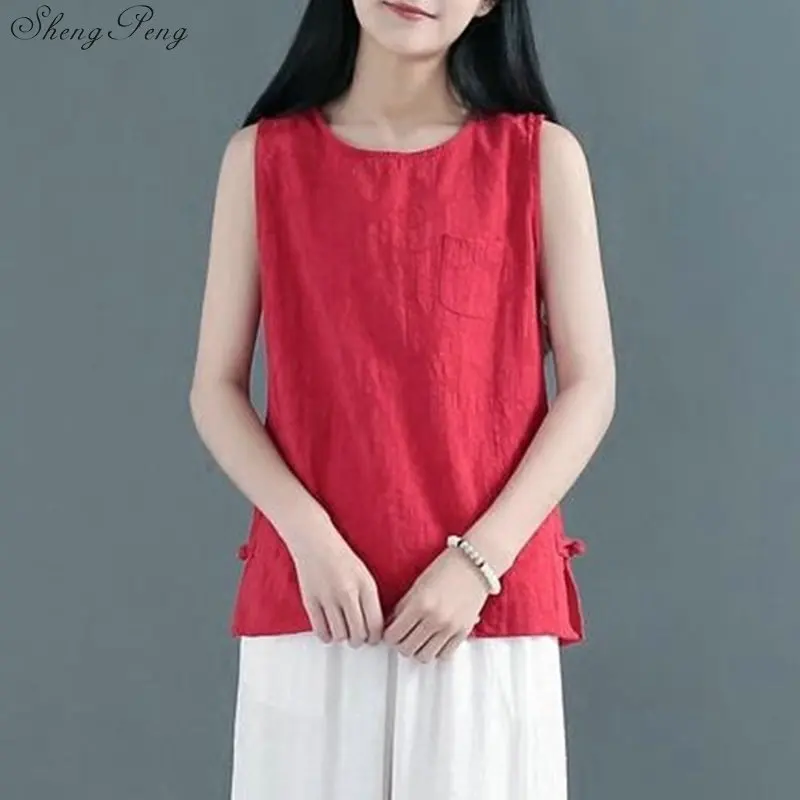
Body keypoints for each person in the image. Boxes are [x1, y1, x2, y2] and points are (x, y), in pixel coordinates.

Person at [189, 1, 615, 797]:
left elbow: (590, 387)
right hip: (316, 600)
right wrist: (310, 540)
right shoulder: (262, 160)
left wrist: (479, 563)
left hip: (483, 606)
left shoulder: (538, 158)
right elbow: (215, 387)